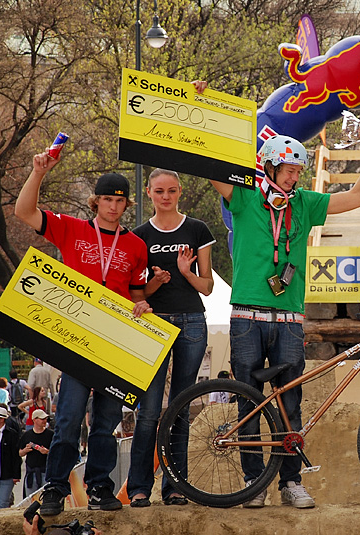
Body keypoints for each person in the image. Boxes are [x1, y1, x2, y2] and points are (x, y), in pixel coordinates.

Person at [196, 76, 360, 510]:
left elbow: (359, 196)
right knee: (248, 401)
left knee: (289, 403)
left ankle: (290, 481)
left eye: (299, 170)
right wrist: (202, 106)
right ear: (269, 168)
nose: (296, 177)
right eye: (289, 170)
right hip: (247, 315)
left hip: (289, 319)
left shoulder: (305, 203)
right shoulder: (244, 197)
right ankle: (253, 482)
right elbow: (208, 164)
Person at [15, 150, 150, 515]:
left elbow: (137, 294)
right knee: (69, 418)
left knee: (106, 423)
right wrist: (37, 172)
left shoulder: (136, 246)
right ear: (96, 201)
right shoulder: (72, 229)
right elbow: (24, 212)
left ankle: (101, 487)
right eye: (107, 200)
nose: (113, 207)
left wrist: (143, 305)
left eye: (120, 201)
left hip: (115, 342)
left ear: (126, 205)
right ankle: (55, 488)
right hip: (77, 339)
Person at [126, 168, 215, 508]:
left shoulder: (197, 229)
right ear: (149, 193)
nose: (166, 196)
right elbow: (137, 294)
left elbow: (207, 287)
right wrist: (155, 283)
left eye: (172, 190)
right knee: (148, 410)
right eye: (159, 191)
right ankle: (138, 488)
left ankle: (176, 487)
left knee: (180, 408)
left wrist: (185, 273)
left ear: (180, 192)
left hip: (192, 322)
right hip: (154, 323)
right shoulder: (138, 236)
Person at [18, 409, 53, 498]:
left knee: (46, 498)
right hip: (31, 473)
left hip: (46, 472)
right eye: (42, 419)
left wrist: (47, 452)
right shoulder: (27, 435)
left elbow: (57, 453)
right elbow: (20, 453)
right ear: (34, 420)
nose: (44, 421)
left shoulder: (51, 434)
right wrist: (25, 450)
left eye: (45, 419)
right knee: (31, 499)